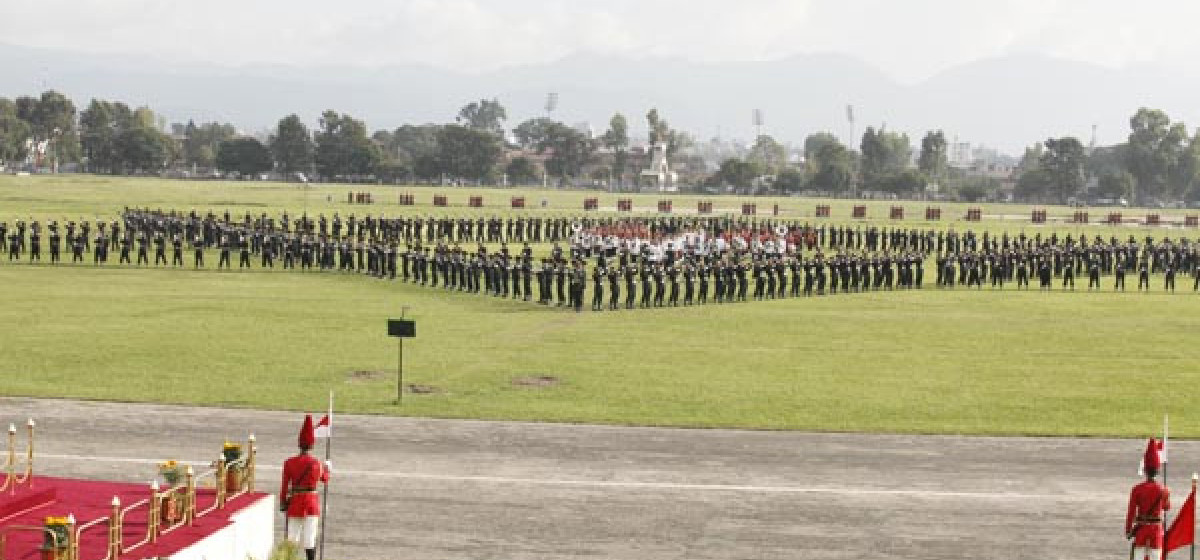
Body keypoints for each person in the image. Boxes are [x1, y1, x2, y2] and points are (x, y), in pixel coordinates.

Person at [280, 415, 331, 560]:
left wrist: (283, 502)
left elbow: (284, 485)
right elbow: (325, 479)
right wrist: (327, 468)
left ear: (299, 444)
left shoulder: (289, 462)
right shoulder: (317, 464)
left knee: (292, 538)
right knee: (310, 539)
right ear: (312, 445)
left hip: (295, 503)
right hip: (311, 504)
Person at [1126, 438, 1170, 560]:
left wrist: (1128, 530)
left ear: (1145, 470)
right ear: (1158, 471)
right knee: (1156, 556)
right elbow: (1167, 507)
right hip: (1156, 530)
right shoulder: (1164, 490)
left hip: (1141, 529)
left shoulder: (1137, 489)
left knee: (1138, 556)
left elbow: (1131, 512)